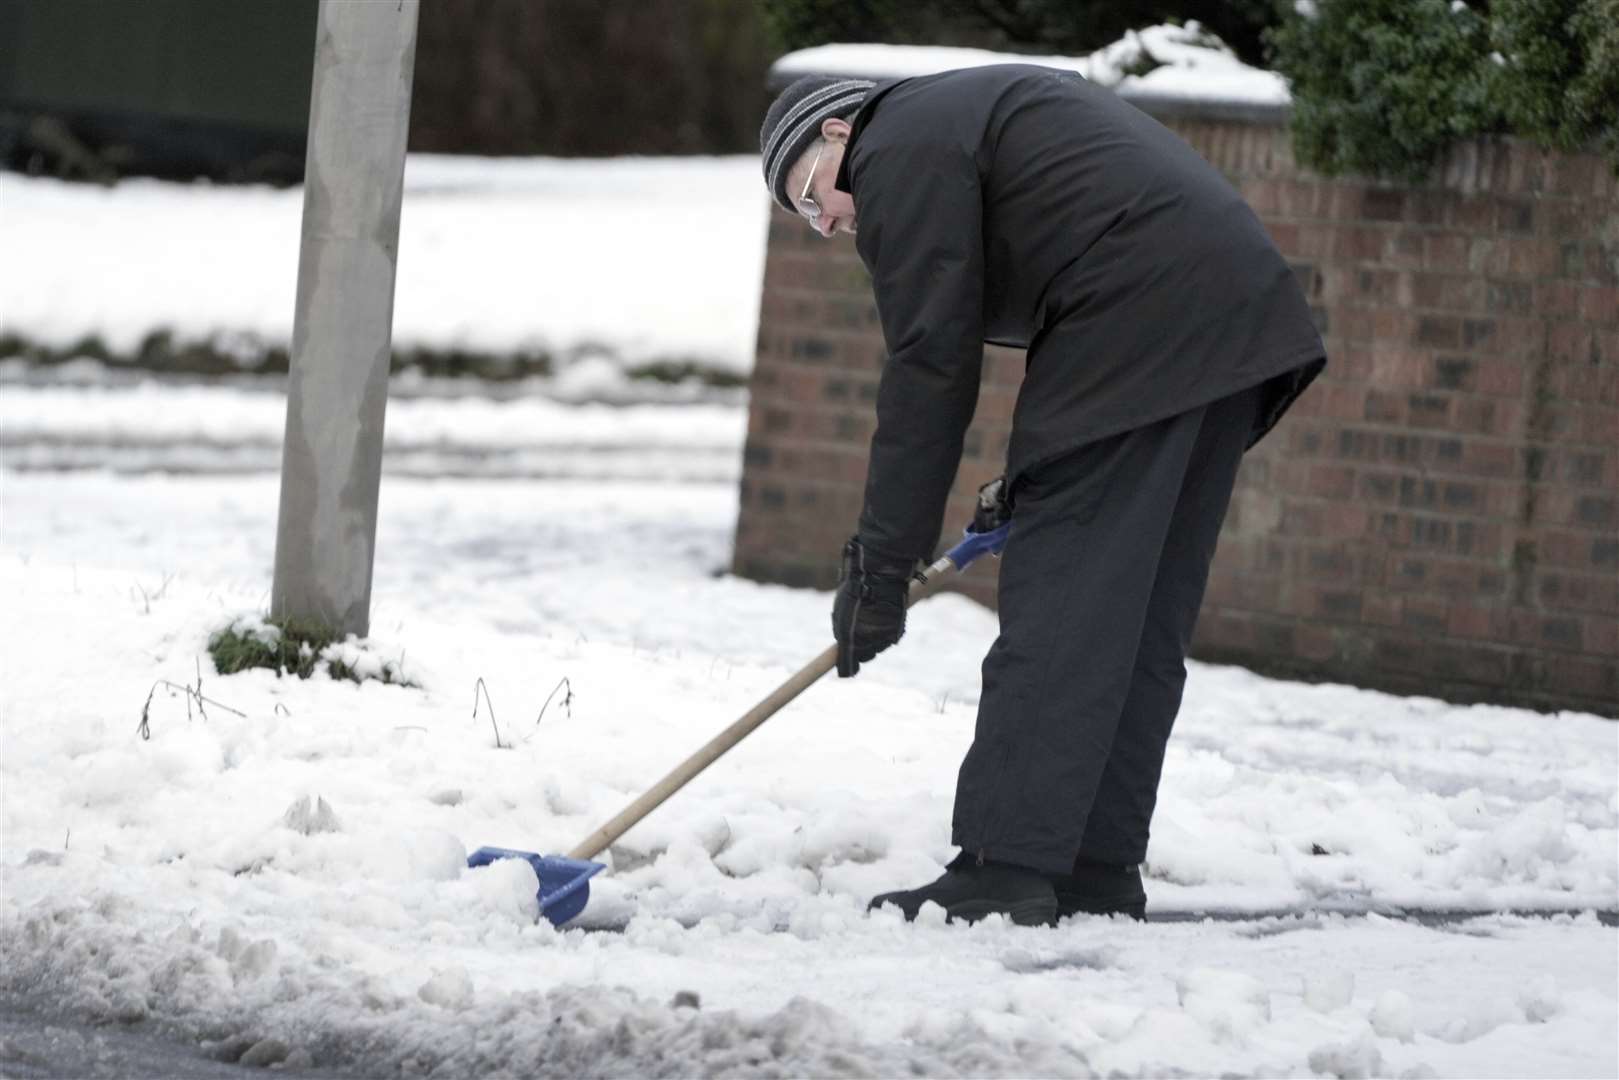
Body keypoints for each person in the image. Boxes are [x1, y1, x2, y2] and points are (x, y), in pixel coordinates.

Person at [758, 66, 1326, 926]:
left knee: (1062, 600)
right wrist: (1026, 488)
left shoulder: (896, 141)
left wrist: (880, 563)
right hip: (1230, 320)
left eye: (810, 192)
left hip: (1142, 318)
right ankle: (1090, 866)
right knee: (1129, 611)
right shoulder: (954, 123)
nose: (828, 221)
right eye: (807, 218)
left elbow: (928, 364)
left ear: (839, 133)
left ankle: (1003, 865)